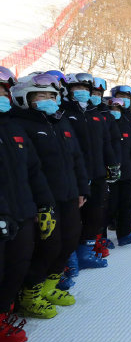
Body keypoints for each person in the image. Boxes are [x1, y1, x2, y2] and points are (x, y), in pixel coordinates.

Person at [11, 73, 89, 318]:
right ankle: (29, 294)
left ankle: (49, 285)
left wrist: (82, 190)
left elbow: (76, 157)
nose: (47, 99)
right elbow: (24, 170)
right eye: (40, 95)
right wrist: (34, 204)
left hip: (68, 195)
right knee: (48, 246)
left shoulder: (59, 122)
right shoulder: (21, 124)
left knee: (69, 239)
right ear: (25, 98)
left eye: (51, 95)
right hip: (43, 200)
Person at [0, 69, 54, 342]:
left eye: (2, 90)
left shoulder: (14, 128)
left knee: (17, 267)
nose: (0, 96)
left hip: (22, 212)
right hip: (2, 215)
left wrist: (44, 205)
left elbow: (34, 171)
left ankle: (3, 315)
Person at [60, 72, 119, 268]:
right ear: (68, 91)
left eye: (86, 89)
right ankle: (70, 257)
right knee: (74, 219)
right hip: (75, 176)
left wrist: (112, 164)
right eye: (78, 89)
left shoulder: (96, 114)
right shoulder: (63, 113)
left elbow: (106, 143)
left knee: (96, 214)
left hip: (98, 172)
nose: (83, 93)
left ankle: (86, 252)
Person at [106, 97, 131, 245]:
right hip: (109, 174)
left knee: (127, 204)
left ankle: (125, 233)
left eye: (117, 110)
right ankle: (102, 237)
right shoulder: (104, 126)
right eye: (111, 110)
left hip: (127, 172)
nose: (114, 113)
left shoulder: (127, 126)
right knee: (109, 206)